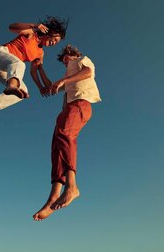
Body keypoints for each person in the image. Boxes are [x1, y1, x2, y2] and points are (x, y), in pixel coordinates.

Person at [33, 45, 101, 221]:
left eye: (66, 58)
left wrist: (64, 81)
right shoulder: (67, 76)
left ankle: (72, 187)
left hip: (81, 104)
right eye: (63, 61)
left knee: (65, 134)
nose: (65, 62)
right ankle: (53, 196)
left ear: (73, 54)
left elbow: (87, 73)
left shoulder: (81, 60)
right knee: (56, 146)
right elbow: (50, 86)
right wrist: (40, 68)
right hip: (69, 108)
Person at [0, 16, 68, 122]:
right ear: (50, 32)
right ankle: (12, 85)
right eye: (54, 39)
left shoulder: (40, 53)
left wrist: (40, 87)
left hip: (3, 69)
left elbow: (34, 71)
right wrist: (34, 25)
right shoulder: (32, 33)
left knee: (23, 91)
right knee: (19, 64)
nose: (53, 43)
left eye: (56, 42)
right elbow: (11, 27)